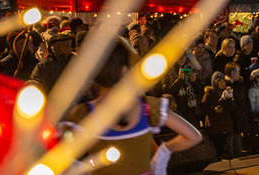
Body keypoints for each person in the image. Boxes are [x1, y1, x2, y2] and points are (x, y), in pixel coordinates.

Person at [62, 39, 202, 175]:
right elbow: (194, 136)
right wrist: (164, 150)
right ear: (124, 70)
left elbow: (58, 155)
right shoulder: (149, 106)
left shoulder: (82, 113)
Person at [162, 52, 202, 127]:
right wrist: (180, 80)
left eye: (184, 56)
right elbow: (166, 92)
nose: (182, 58)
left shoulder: (189, 69)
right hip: (176, 109)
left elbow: (199, 90)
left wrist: (194, 81)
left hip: (190, 109)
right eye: (179, 56)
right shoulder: (167, 71)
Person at [202, 71, 236, 159]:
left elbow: (232, 108)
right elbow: (204, 108)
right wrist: (213, 110)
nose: (222, 83)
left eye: (223, 81)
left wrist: (229, 98)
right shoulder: (209, 93)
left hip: (224, 123)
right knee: (216, 143)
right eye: (219, 81)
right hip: (214, 123)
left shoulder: (226, 92)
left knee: (223, 143)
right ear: (215, 82)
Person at [224, 62, 250, 156]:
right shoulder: (227, 84)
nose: (237, 73)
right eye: (235, 71)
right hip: (231, 111)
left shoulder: (238, 83)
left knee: (238, 131)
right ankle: (231, 152)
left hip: (238, 110)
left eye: (238, 71)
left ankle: (238, 151)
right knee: (231, 133)